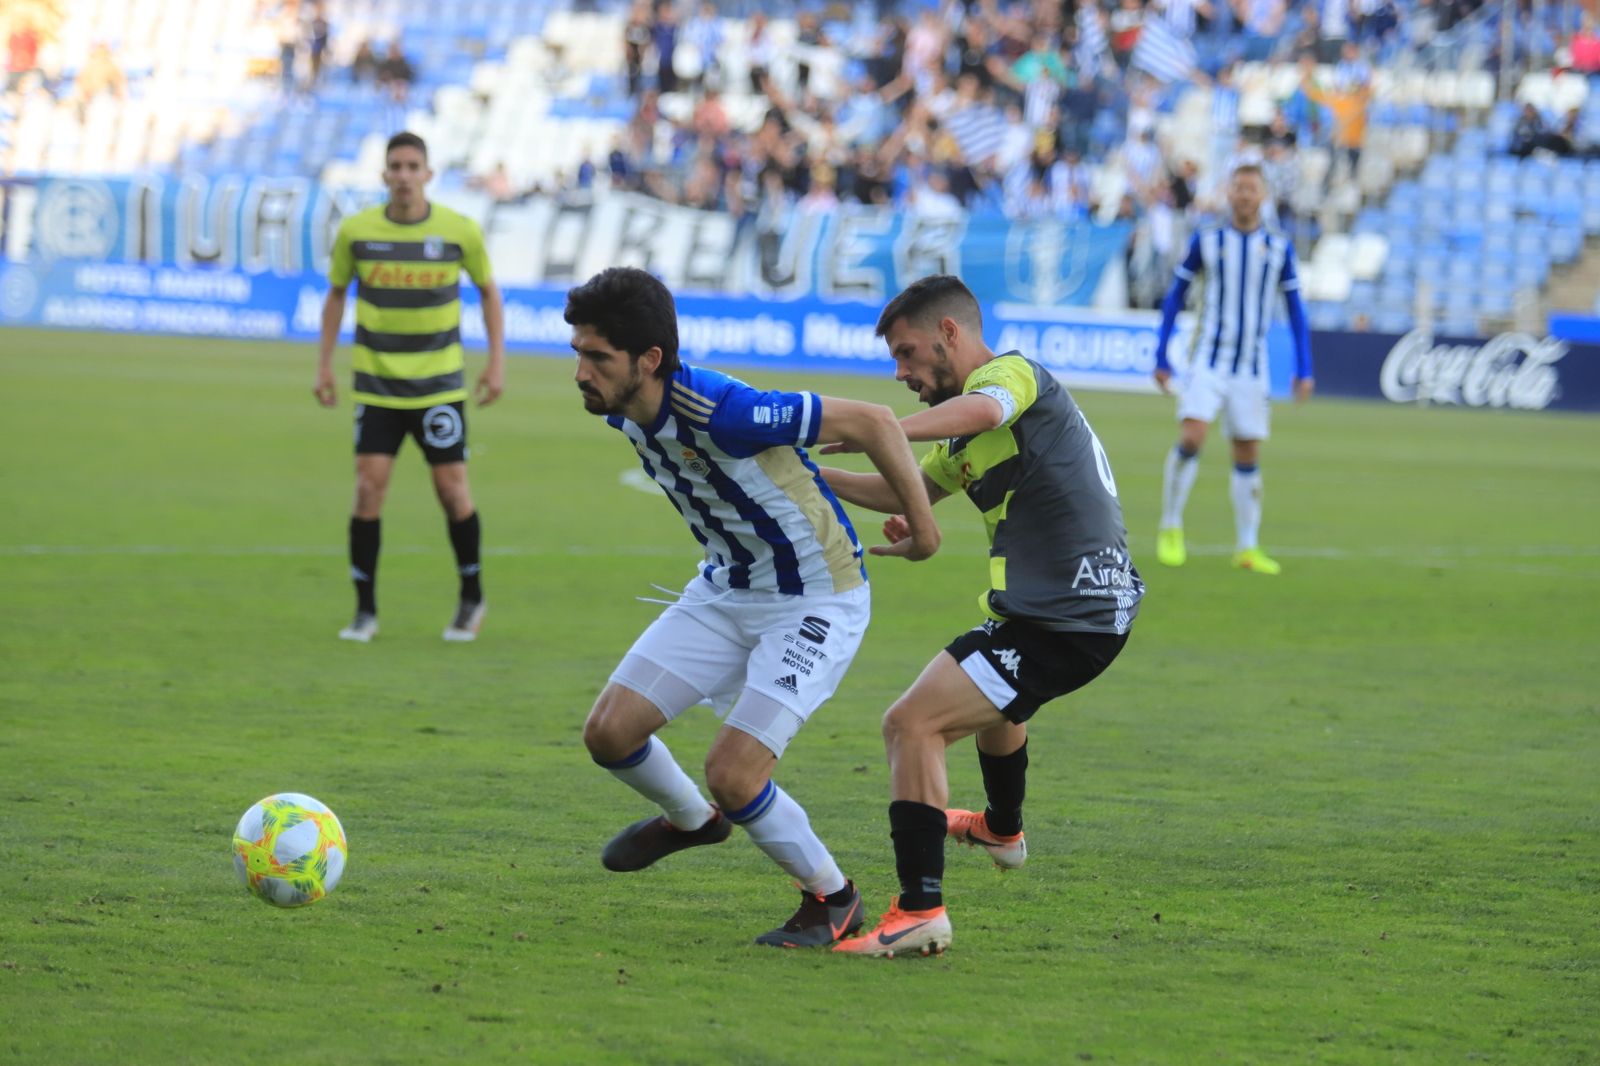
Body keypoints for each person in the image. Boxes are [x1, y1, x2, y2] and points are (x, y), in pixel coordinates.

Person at [565, 266, 940, 948]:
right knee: (608, 734)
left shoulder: (726, 411)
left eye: (597, 357)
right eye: (578, 354)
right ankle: (691, 822)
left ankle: (834, 898)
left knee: (734, 774)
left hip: (815, 599)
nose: (581, 373)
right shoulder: (625, 406)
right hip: (726, 589)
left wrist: (925, 529)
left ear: (649, 360)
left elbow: (876, 420)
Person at [817, 275, 1144, 958]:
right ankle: (1001, 828)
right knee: (996, 696)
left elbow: (986, 412)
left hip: (1072, 614)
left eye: (907, 354)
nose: (901, 372)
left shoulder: (1012, 377)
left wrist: (880, 428)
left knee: (913, 723)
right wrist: (806, 475)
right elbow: (900, 489)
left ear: (950, 334)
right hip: (1064, 612)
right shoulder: (959, 442)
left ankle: (921, 912)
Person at [314, 131, 506, 642]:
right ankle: (365, 610)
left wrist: (495, 364)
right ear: (383, 175)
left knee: (451, 491)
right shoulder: (357, 233)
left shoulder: (457, 231)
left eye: (411, 166)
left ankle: (471, 598)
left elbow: (489, 293)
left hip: (439, 387)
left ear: (428, 174)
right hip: (377, 387)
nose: (402, 175)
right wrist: (324, 366)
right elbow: (335, 296)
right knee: (368, 491)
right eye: (394, 166)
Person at [1152, 163, 1313, 574]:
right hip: (1208, 358)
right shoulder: (1208, 240)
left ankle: (1247, 546)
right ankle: (1171, 525)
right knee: (1193, 435)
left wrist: (1304, 367)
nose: (1244, 195)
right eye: (1238, 188)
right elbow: (1175, 296)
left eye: (1252, 189)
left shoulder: (1279, 247)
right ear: (1229, 193)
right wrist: (1161, 355)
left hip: (1250, 366)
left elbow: (1296, 310)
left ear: (1263, 196)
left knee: (1247, 450)